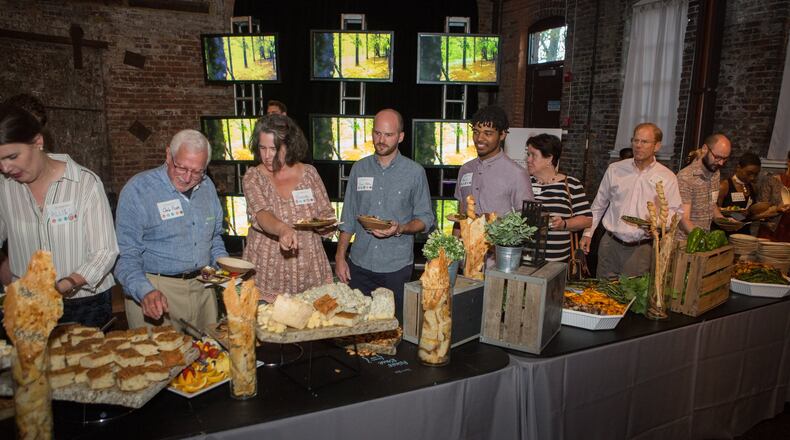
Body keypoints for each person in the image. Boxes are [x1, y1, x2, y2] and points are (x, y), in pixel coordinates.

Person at [0, 104, 118, 327]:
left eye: (12, 156)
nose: (5, 168)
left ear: (38, 142)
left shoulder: (84, 183)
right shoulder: (4, 187)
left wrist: (64, 284)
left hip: (83, 302)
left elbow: (105, 251)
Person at [115, 129, 228, 331]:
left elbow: (214, 237)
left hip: (203, 288)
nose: (187, 178)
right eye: (181, 167)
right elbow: (126, 255)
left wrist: (225, 267)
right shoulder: (138, 190)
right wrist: (144, 291)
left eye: (197, 171)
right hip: (156, 291)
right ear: (168, 155)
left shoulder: (207, 187)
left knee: (210, 349)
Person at [335, 109, 434, 322]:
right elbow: (348, 217)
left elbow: (426, 218)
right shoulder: (359, 169)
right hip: (359, 265)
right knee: (355, 326)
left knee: (391, 327)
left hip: (395, 268)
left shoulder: (415, 172)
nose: (381, 140)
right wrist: (340, 257)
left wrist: (400, 228)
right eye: (377, 133)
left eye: (388, 135)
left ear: (401, 136)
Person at [242, 114, 334, 302]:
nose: (267, 156)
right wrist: (282, 229)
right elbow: (262, 214)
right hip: (267, 275)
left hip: (310, 273)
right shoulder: (253, 177)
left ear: (289, 146)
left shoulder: (309, 174)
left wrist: (326, 225)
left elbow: (326, 214)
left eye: (274, 149)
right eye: (262, 148)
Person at [580, 122, 682, 279]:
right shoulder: (615, 169)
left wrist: (657, 225)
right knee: (602, 290)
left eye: (644, 142)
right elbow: (599, 204)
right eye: (636, 140)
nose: (638, 145)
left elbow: (675, 212)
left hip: (641, 248)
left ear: (656, 146)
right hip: (609, 244)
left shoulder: (667, 177)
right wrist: (588, 233)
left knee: (632, 292)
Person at [454, 105, 534, 219]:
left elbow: (526, 220)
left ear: (502, 135)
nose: (479, 138)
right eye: (476, 132)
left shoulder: (517, 173)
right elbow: (461, 213)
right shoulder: (465, 169)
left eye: (488, 133)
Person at [526, 133, 592, 261]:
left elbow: (587, 219)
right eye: (528, 154)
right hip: (524, 260)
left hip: (558, 262)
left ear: (549, 158)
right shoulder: (524, 183)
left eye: (533, 155)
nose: (528, 160)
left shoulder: (571, 185)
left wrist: (564, 224)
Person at [676, 134, 732, 241]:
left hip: (703, 238)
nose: (721, 163)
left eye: (725, 159)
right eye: (717, 157)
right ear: (705, 149)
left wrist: (724, 221)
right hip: (685, 242)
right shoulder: (686, 176)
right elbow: (683, 218)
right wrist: (704, 239)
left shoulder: (715, 173)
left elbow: (712, 204)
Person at [716, 152, 761, 235]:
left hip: (745, 234)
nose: (752, 177)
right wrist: (740, 216)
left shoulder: (753, 188)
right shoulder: (724, 186)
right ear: (738, 168)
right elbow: (717, 213)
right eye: (749, 173)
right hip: (726, 234)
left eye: (756, 174)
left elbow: (752, 215)